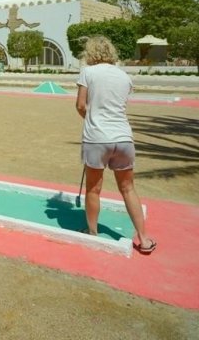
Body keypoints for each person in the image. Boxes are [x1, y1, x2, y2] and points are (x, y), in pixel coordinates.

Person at [75, 36, 156, 255]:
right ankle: (144, 238)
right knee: (128, 188)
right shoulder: (124, 76)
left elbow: (81, 105)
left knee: (94, 188)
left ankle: (91, 232)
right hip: (123, 137)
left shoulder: (88, 72)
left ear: (91, 53)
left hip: (97, 137)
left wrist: (91, 118)